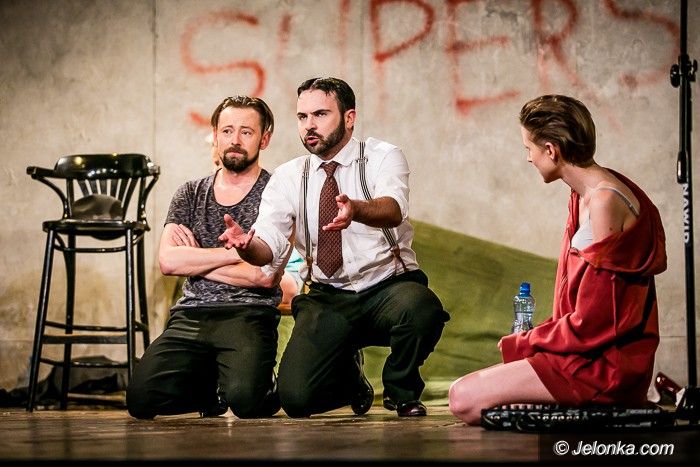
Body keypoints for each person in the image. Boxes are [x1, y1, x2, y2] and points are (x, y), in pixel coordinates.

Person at [218, 77, 450, 418]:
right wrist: (247, 247)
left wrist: (356, 209)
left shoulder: (382, 156)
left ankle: (401, 389)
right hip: (329, 295)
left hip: (388, 287)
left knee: (422, 309)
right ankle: (352, 381)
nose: (309, 125)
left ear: (349, 117)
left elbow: (393, 208)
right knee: (296, 400)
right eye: (302, 117)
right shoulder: (288, 176)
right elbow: (268, 245)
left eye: (320, 114)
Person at [448, 95, 667, 425]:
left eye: (529, 148)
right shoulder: (584, 195)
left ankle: (582, 407)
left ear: (551, 150)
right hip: (582, 352)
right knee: (473, 395)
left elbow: (598, 321)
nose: (528, 158)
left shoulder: (604, 201)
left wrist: (527, 341)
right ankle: (559, 407)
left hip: (601, 366)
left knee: (462, 398)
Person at [127, 95, 290, 419]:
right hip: (192, 314)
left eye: (246, 132)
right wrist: (234, 256)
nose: (235, 140)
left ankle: (260, 386)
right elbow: (168, 262)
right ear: (215, 135)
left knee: (246, 402)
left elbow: (263, 276)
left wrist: (195, 260)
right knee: (140, 400)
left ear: (264, 139)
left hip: (248, 314)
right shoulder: (189, 193)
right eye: (227, 130)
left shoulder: (276, 193)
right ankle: (212, 389)